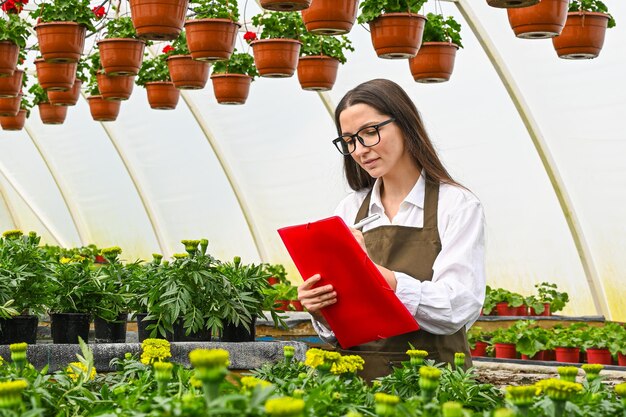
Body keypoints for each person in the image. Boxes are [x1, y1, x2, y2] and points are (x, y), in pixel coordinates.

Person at [297, 79, 486, 381]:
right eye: (349, 141)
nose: (360, 150)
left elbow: (456, 307)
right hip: (359, 385)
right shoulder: (348, 210)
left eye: (370, 133)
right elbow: (342, 327)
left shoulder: (457, 205)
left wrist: (382, 279)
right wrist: (321, 309)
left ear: (405, 123)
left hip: (433, 383)